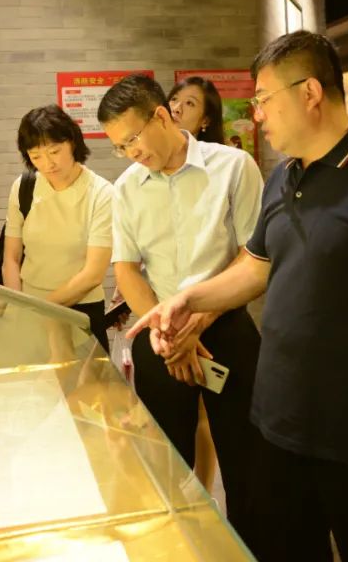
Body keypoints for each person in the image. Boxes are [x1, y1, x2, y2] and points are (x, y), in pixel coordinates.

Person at [130, 31, 348, 562]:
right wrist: (187, 300)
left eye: (263, 99)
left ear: (309, 93)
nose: (256, 114)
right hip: (276, 419)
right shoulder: (284, 176)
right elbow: (256, 268)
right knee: (287, 546)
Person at [97, 74, 263, 533]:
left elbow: (252, 256)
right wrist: (166, 329)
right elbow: (127, 269)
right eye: (119, 146)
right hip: (161, 339)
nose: (131, 152)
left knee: (247, 465)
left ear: (160, 116)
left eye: (133, 138)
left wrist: (197, 322)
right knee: (166, 467)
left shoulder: (233, 166)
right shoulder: (127, 187)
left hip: (225, 327)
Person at [1, 105, 114, 352]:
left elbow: (93, 274)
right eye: (36, 156)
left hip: (81, 309)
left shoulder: (102, 193)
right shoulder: (24, 187)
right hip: (29, 303)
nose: (48, 164)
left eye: (54, 151)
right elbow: (11, 257)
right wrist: (18, 305)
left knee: (85, 377)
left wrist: (43, 308)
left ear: (72, 142)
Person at [166, 75, 227, 493]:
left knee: (205, 408)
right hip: (166, 316)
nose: (177, 108)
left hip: (213, 311)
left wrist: (199, 321)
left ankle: (203, 490)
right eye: (174, 100)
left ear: (206, 120)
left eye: (189, 104)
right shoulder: (148, 171)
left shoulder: (224, 167)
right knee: (173, 414)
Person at [168, 76, 225, 144]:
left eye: (189, 103)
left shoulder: (218, 150)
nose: (176, 109)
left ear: (205, 121)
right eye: (174, 99)